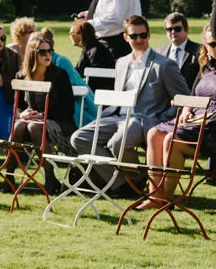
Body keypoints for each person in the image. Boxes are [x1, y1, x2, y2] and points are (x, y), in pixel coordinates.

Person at [69, 14, 188, 193]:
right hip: (116, 116)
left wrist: (162, 118)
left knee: (117, 143)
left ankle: (132, 181)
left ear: (149, 35)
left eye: (143, 35)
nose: (139, 39)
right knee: (78, 139)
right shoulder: (121, 63)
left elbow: (183, 99)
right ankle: (127, 182)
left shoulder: (164, 65)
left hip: (143, 120)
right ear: (126, 37)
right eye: (133, 36)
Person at [138, 24, 216, 208]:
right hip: (196, 117)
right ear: (205, 44)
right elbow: (193, 96)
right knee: (154, 134)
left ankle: (164, 198)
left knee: (172, 139)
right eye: (212, 43)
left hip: (212, 125)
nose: (215, 47)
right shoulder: (206, 67)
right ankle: (154, 195)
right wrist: (187, 109)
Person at [4, 31, 74, 194]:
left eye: (50, 51)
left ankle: (50, 179)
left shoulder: (59, 75)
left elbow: (68, 109)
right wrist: (23, 114)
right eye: (42, 52)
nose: (47, 55)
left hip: (59, 122)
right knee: (20, 125)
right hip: (31, 122)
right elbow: (18, 106)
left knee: (33, 127)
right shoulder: (21, 77)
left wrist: (43, 116)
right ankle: (9, 177)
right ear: (32, 54)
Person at [72, 17, 116, 93]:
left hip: (100, 93)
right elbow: (77, 71)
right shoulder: (89, 48)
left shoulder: (96, 50)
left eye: (72, 33)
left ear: (81, 35)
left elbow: (95, 77)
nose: (70, 36)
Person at [160, 12, 200, 88]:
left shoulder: (200, 50)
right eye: (169, 29)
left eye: (177, 29)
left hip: (190, 97)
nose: (173, 32)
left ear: (187, 30)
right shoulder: (160, 51)